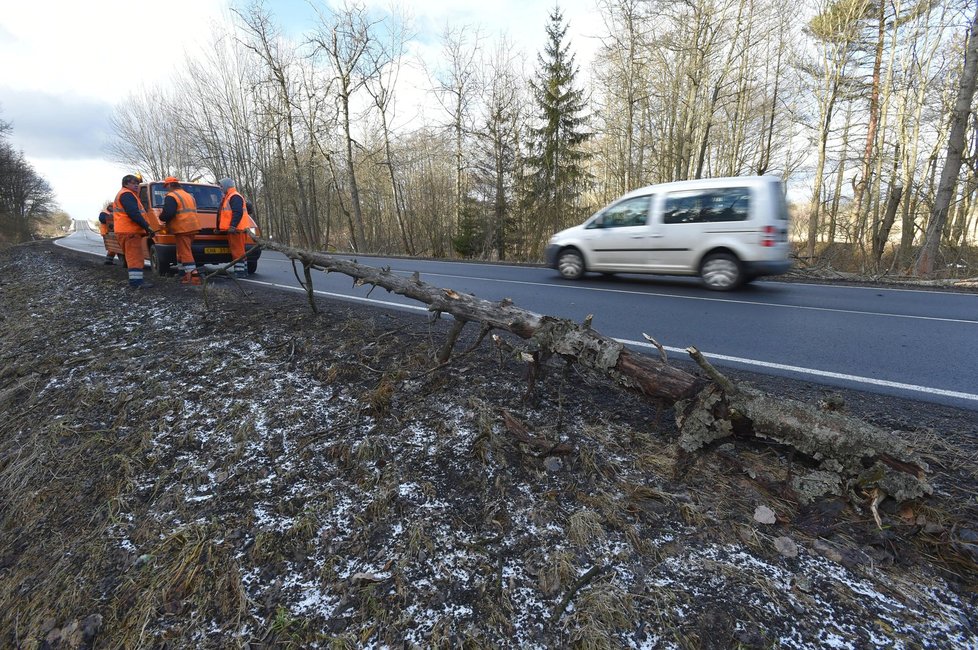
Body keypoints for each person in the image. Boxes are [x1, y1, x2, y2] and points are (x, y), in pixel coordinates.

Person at [112, 173, 156, 289]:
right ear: (126, 184)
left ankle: (136, 281)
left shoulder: (126, 194)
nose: (137, 185)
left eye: (137, 183)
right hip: (130, 231)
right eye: (133, 183)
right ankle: (136, 283)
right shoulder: (127, 194)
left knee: (132, 256)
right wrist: (147, 227)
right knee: (135, 257)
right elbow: (134, 213)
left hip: (125, 231)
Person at [159, 176, 201, 285]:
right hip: (193, 226)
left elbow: (168, 213)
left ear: (169, 185)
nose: (166, 189)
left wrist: (161, 217)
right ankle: (184, 275)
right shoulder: (188, 196)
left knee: (185, 252)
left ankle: (193, 276)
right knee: (183, 251)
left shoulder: (172, 196)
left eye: (166, 186)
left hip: (182, 227)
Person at [217, 177, 251, 278]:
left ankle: (240, 273)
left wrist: (232, 226)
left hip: (237, 230)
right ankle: (243, 271)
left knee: (238, 251)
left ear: (226, 186)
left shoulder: (234, 196)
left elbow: (237, 212)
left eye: (221, 186)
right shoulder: (229, 196)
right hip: (237, 229)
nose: (220, 188)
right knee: (240, 251)